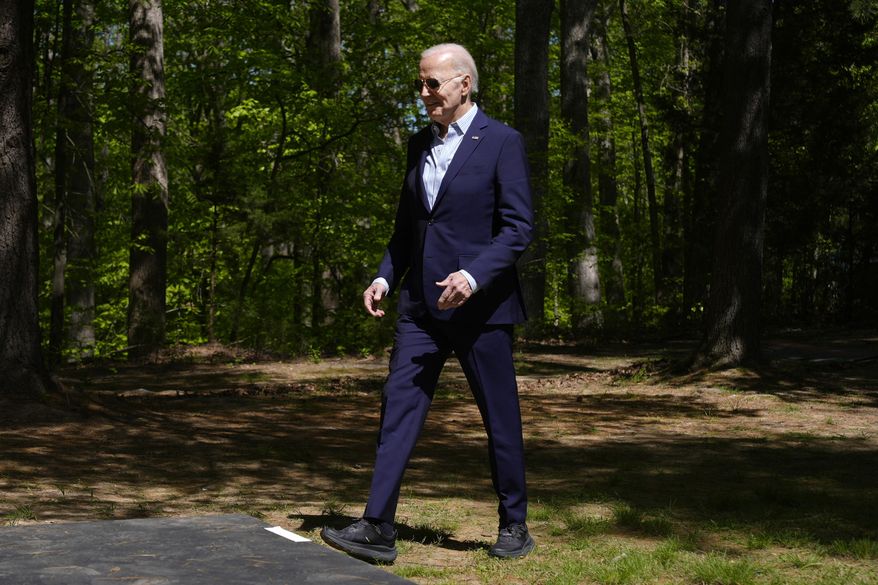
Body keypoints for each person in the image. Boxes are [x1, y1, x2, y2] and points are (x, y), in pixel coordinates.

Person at [321, 43, 535, 563]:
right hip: (420, 308)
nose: (423, 93)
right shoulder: (419, 144)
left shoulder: (502, 141)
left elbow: (518, 227)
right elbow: (408, 227)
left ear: (464, 83)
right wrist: (383, 276)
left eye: (432, 83)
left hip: (481, 309)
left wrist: (473, 276)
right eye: (419, 84)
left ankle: (514, 525)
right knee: (397, 408)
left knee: (499, 418)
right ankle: (378, 525)